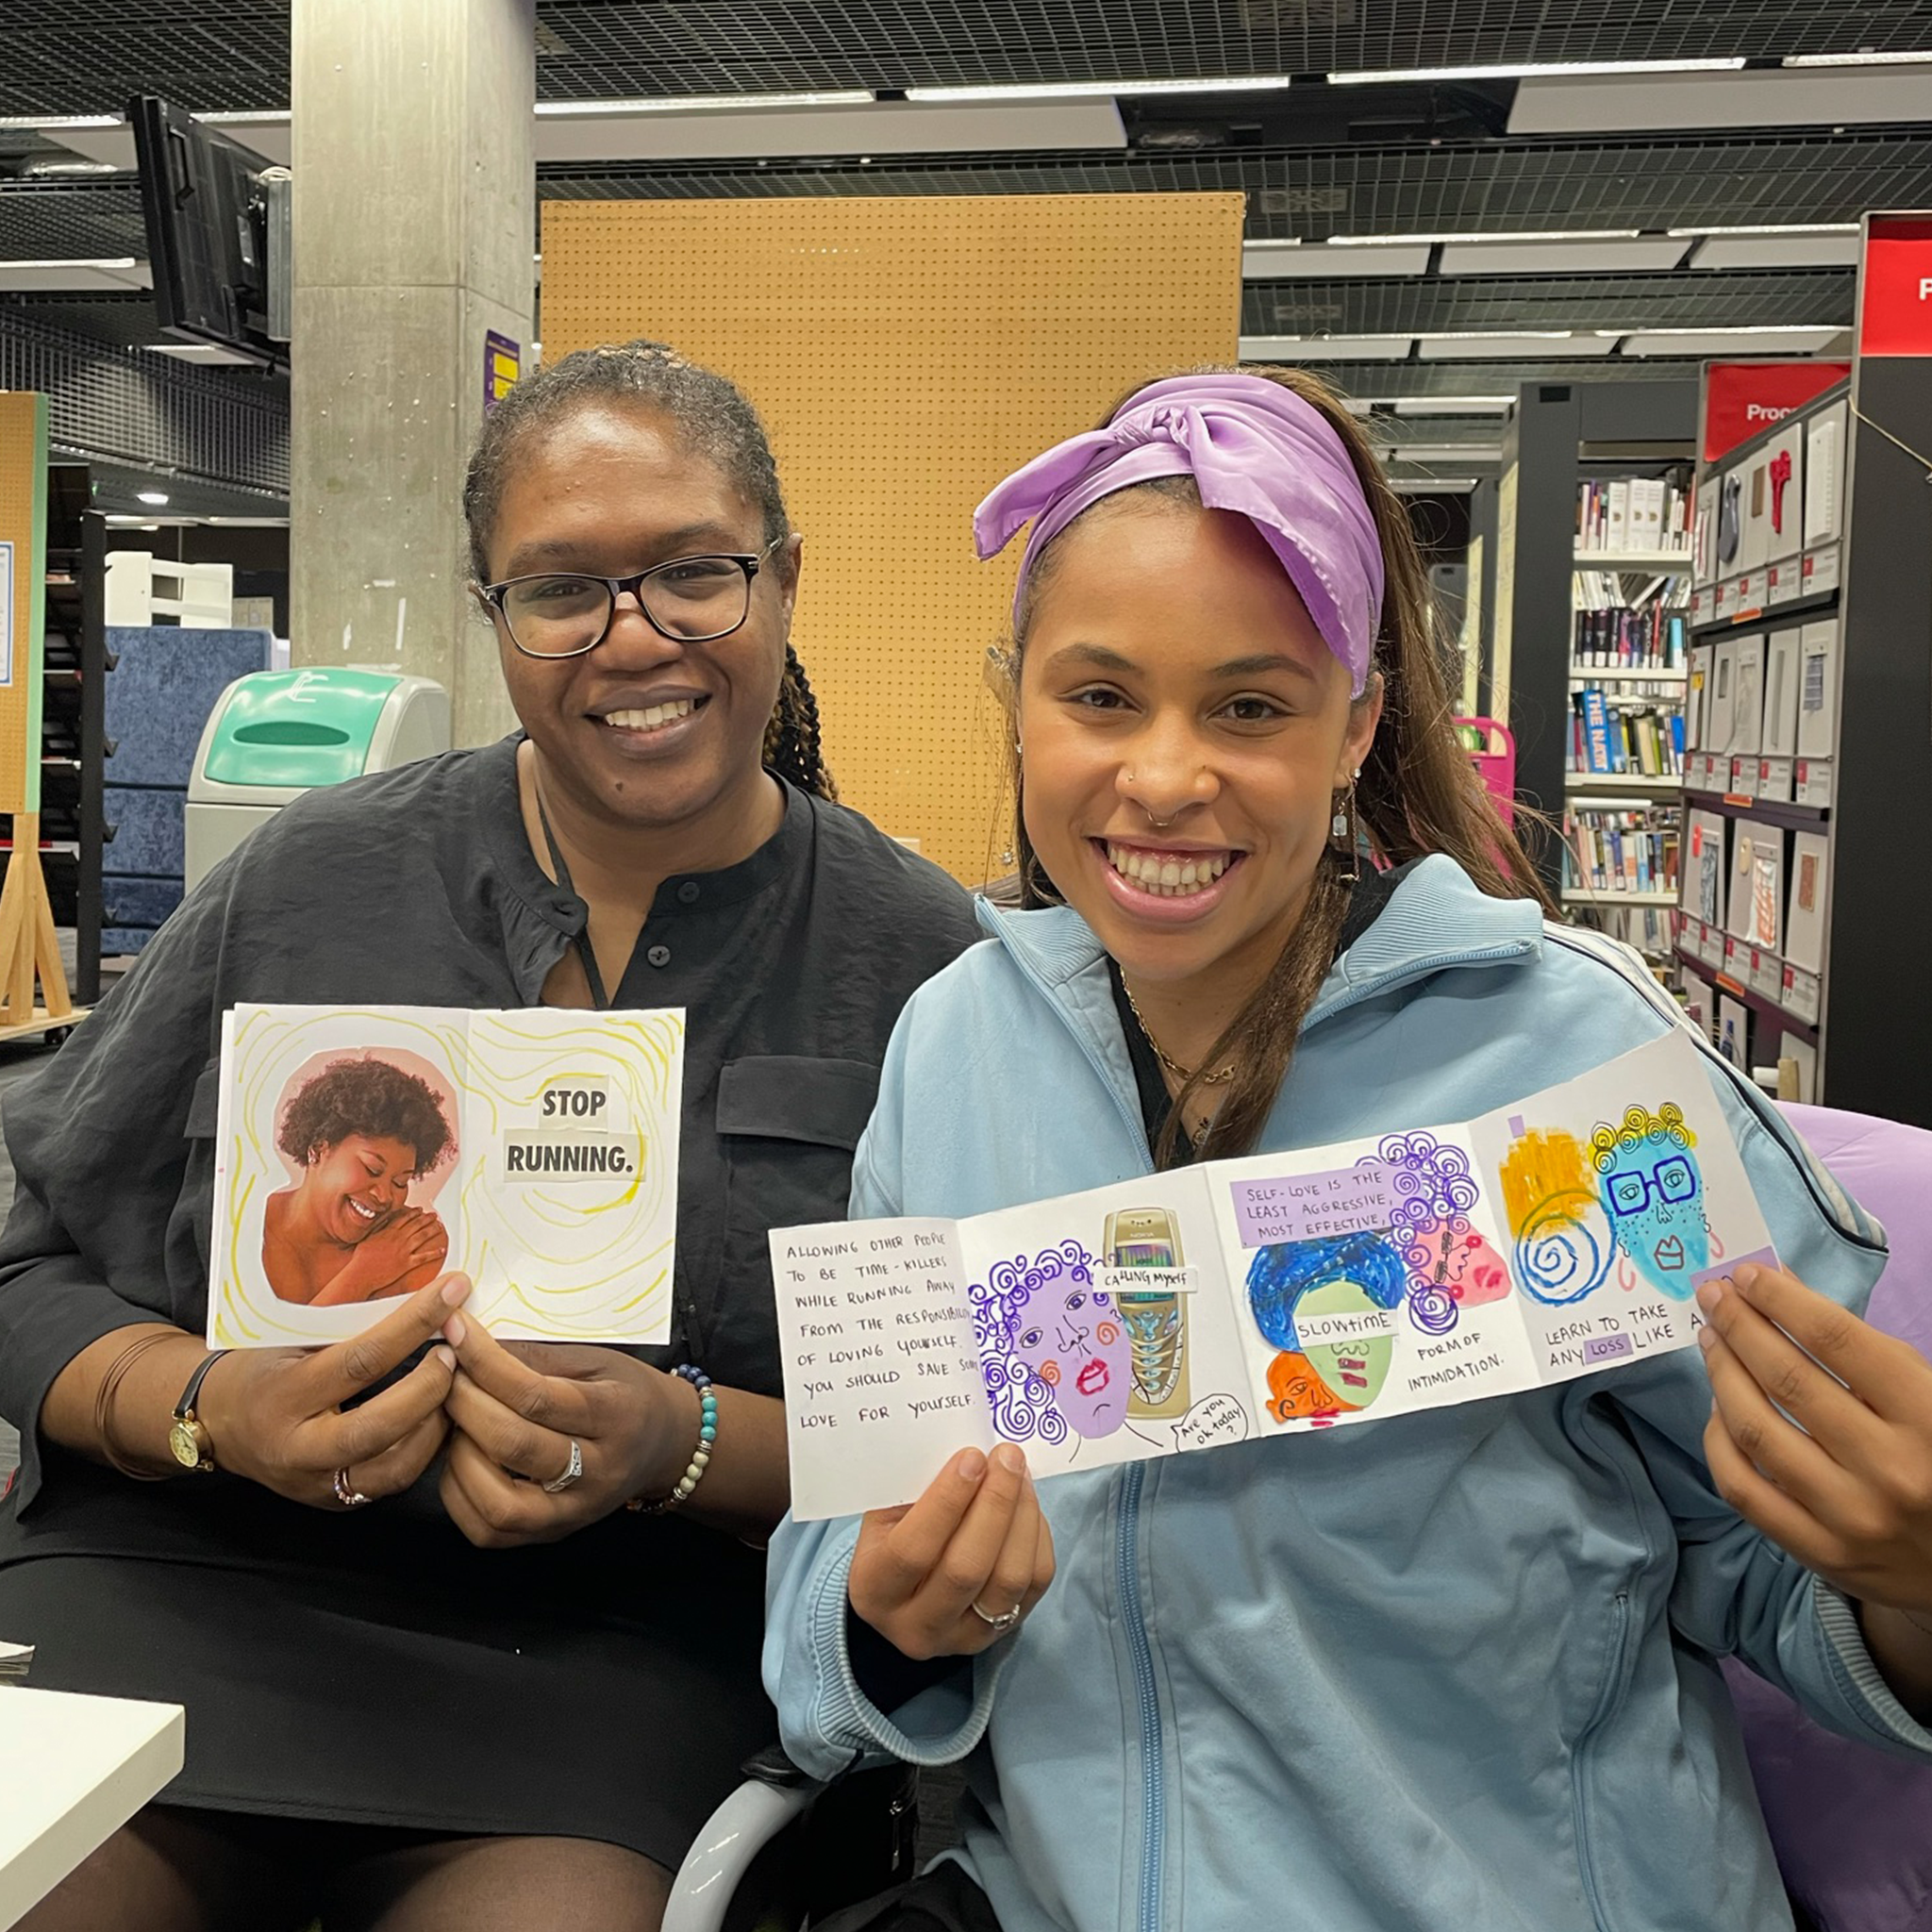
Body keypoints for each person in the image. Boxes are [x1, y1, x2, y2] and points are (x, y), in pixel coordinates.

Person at [766, 369, 1932, 1932]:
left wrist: (1910, 1581)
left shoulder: (1570, 1060)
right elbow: (822, 1569)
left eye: (1247, 705)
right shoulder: (953, 1047)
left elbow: (1766, 1558)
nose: (1165, 776)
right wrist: (883, 1614)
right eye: (1098, 696)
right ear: (1015, 696)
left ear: (1357, 721)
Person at [0, 341, 981, 1932]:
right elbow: (27, 1253)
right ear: (494, 615)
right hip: (181, 1594)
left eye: (692, 574)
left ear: (784, 579)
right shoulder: (307, 882)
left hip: (604, 1658)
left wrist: (681, 1444)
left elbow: (966, 1423)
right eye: (558, 589)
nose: (630, 637)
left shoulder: (924, 965)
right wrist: (210, 1407)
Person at [261, 1055, 457, 1306]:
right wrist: (363, 1274)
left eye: (400, 1182)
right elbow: (284, 1343)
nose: (384, 1196)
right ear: (319, 1149)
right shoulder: (246, 1226)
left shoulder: (417, 1244)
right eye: (372, 1170)